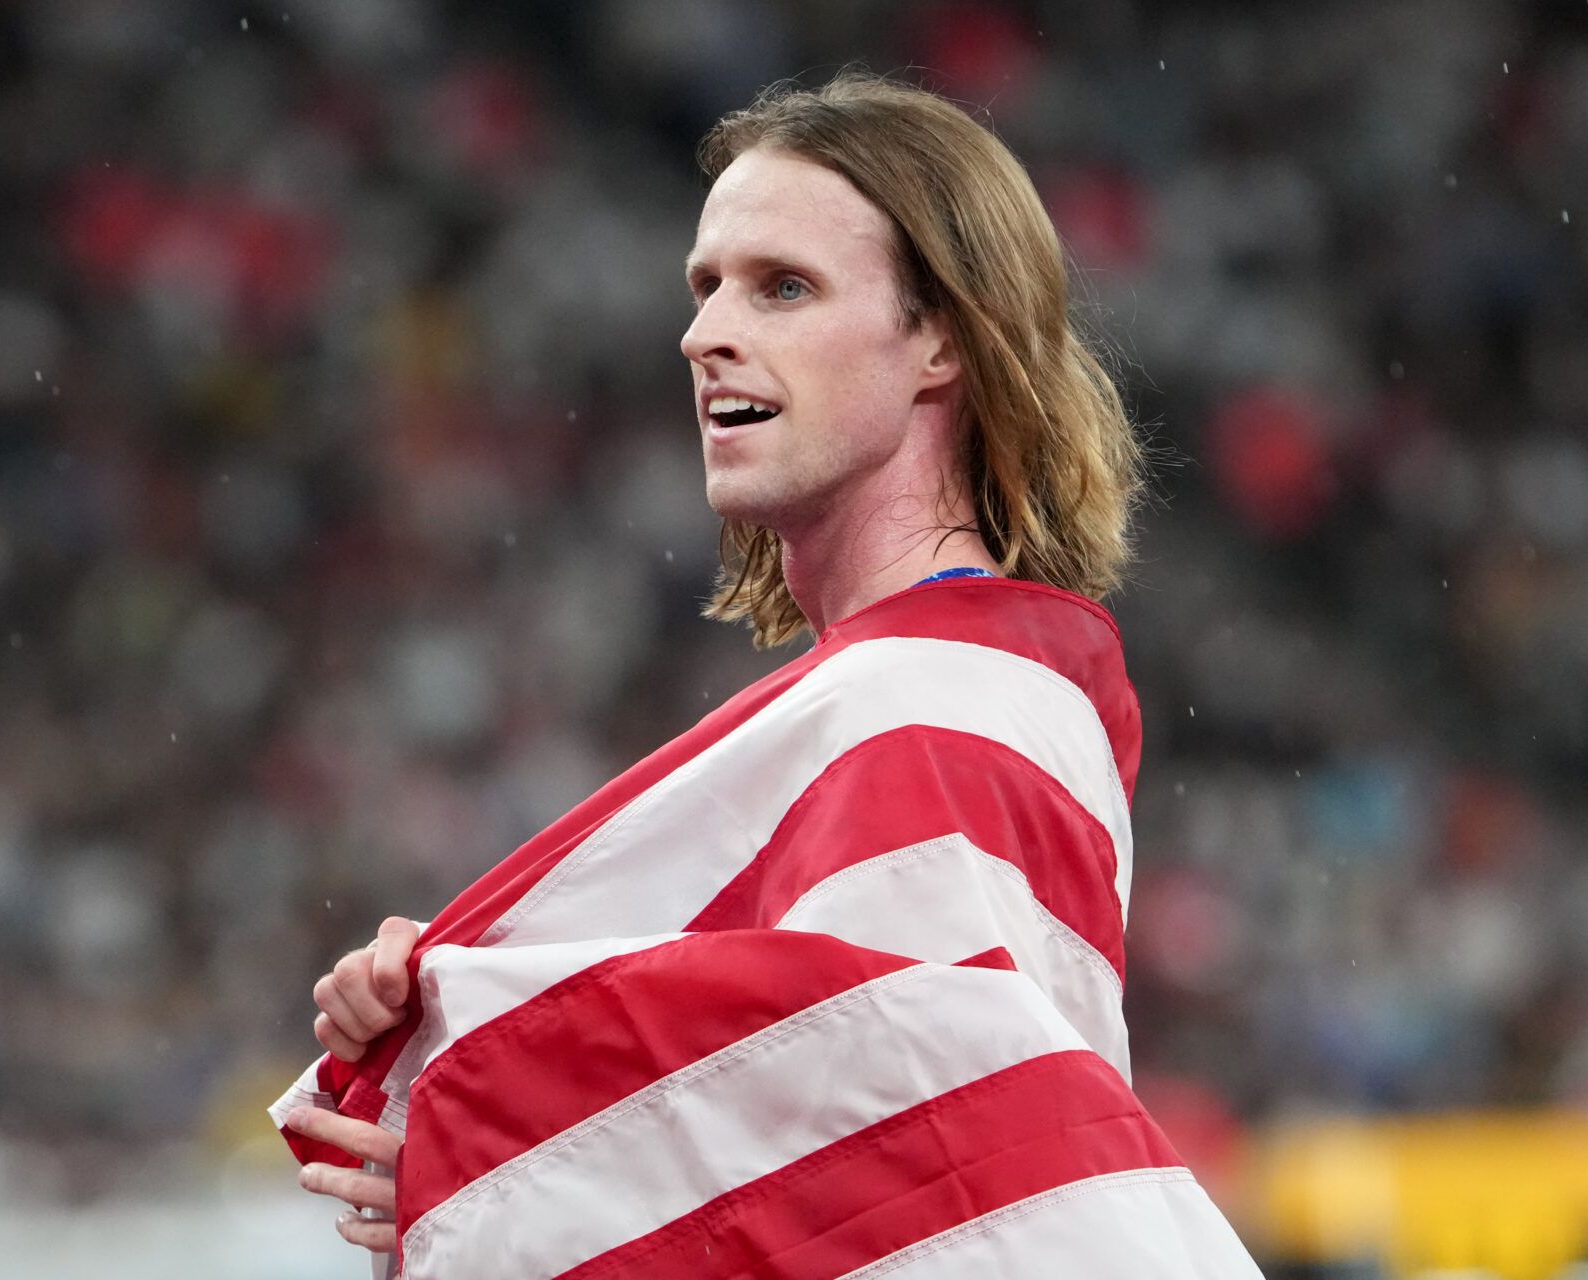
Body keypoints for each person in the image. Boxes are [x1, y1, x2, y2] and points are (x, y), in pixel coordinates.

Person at [275, 72, 1262, 1278]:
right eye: (706, 288)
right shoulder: (926, 693)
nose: (704, 334)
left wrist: (511, 1132)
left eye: (783, 286)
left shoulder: (926, 712)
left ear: (943, 337)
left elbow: (925, 1171)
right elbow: (840, 1098)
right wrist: (463, 1014)